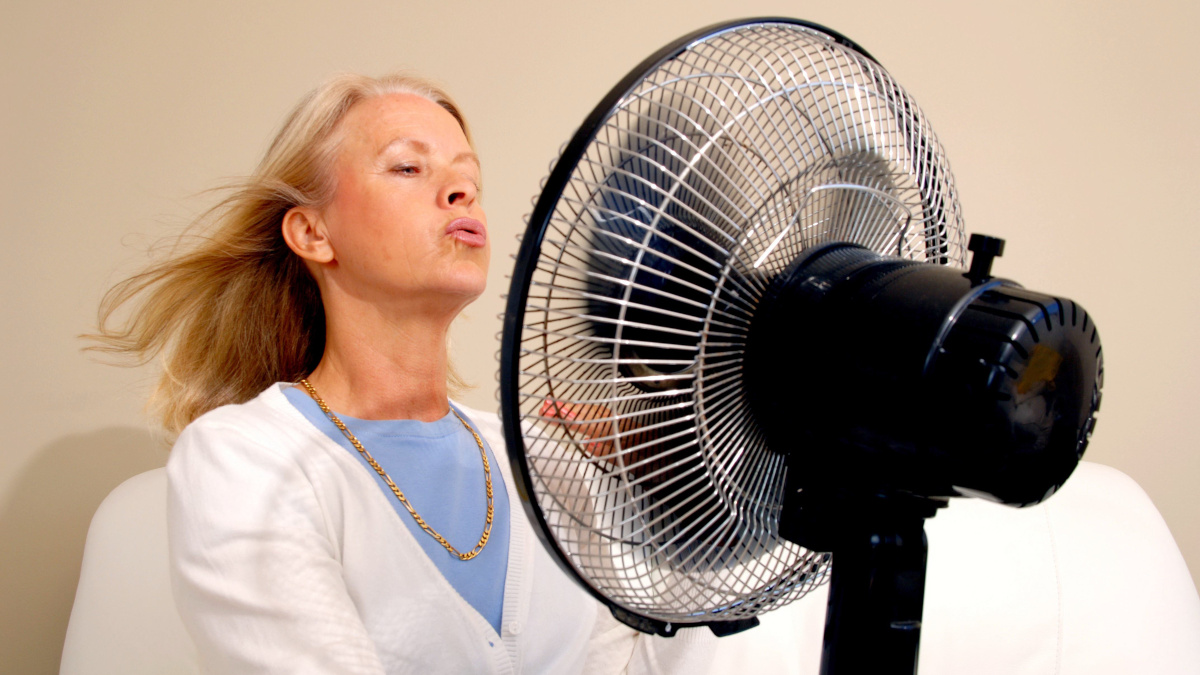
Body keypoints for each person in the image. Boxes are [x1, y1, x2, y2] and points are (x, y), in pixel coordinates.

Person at [90, 72, 715, 674]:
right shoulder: (245, 458)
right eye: (408, 167)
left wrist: (679, 464)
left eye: (469, 178)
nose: (460, 192)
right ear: (312, 232)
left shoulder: (551, 463)